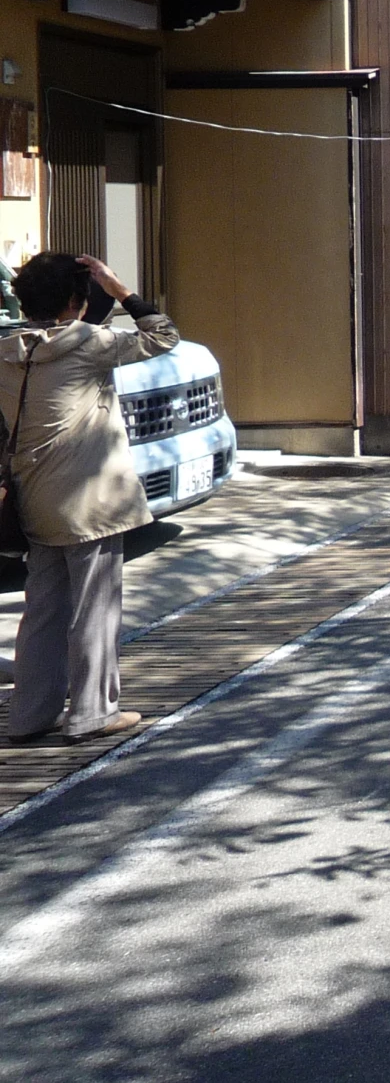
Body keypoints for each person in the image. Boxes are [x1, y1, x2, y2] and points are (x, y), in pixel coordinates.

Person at [3, 253, 178, 746]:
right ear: (79, 303)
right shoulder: (93, 345)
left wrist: (78, 304)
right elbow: (162, 337)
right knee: (94, 611)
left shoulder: (8, 354)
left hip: (34, 502)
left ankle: (29, 716)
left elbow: (58, 335)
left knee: (43, 613)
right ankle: (91, 713)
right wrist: (120, 290)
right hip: (91, 503)